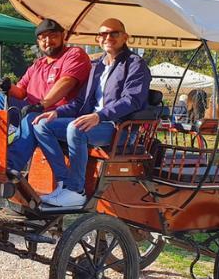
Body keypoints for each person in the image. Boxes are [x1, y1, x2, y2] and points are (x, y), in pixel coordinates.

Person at [33, 18, 152, 208]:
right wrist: (57, 112)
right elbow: (81, 102)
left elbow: (132, 100)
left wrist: (99, 116)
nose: (108, 37)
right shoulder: (96, 66)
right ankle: (65, 182)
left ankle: (76, 191)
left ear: (125, 37)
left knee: (75, 127)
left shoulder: (135, 64)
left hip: (119, 128)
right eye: (103, 34)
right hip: (93, 123)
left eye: (114, 33)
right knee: (41, 125)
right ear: (98, 39)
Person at [0, 18, 92, 173]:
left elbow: (67, 81)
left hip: (61, 115)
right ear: (38, 41)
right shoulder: (38, 64)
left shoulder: (74, 54)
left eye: (52, 36)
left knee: (32, 117)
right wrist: (7, 87)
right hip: (36, 109)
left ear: (63, 36)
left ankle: (10, 166)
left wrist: (42, 105)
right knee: (0, 99)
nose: (48, 41)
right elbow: (20, 92)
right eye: (42, 38)